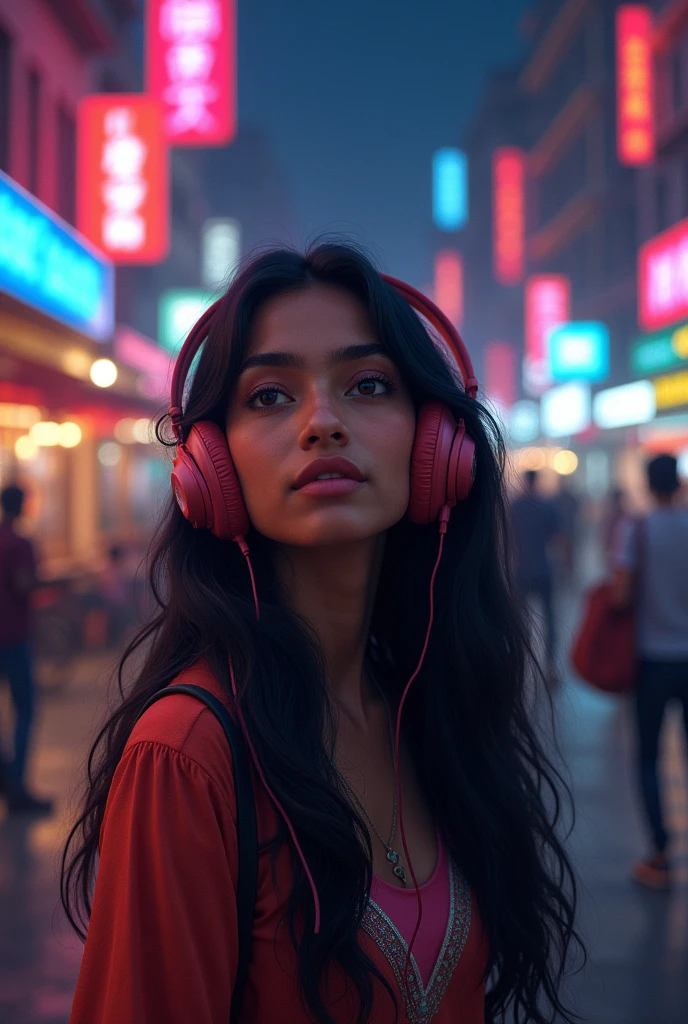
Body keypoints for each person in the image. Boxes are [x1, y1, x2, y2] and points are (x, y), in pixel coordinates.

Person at [62, 244, 583, 1023]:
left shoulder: (425, 705)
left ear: (439, 444)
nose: (323, 423)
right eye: (270, 396)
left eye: (368, 385)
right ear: (212, 467)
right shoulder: (186, 754)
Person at [614, 454, 688, 890]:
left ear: (646, 482)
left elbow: (622, 597)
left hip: (652, 660)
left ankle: (659, 856)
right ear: (678, 482)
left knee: (648, 757)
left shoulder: (636, 529)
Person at [0, 484, 53, 814]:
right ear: (23, 507)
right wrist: (53, 583)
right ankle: (16, 785)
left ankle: (7, 779)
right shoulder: (20, 544)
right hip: (14, 637)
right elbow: (24, 584)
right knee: (24, 710)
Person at [509, 470, 561, 679]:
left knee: (520, 619)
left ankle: (520, 660)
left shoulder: (515, 507)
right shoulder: (546, 506)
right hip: (544, 569)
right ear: (536, 481)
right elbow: (558, 537)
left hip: (521, 570)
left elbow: (508, 537)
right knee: (549, 617)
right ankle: (550, 664)